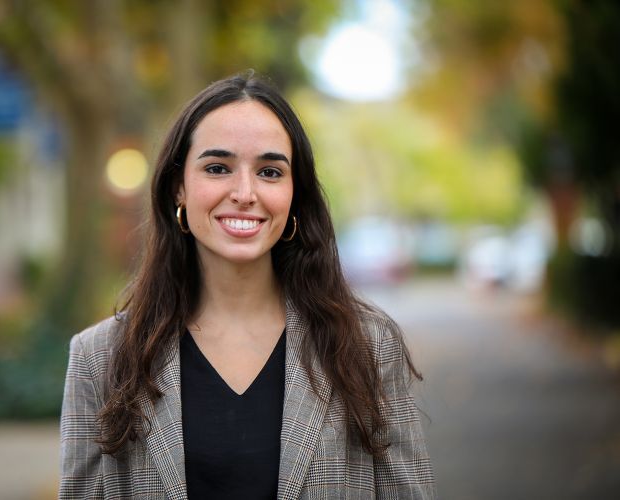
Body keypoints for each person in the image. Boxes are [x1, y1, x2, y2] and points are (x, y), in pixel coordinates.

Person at [59, 71, 435, 499]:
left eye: (270, 172)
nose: (244, 192)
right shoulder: (101, 359)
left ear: (296, 193)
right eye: (218, 168)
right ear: (178, 187)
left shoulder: (367, 346)